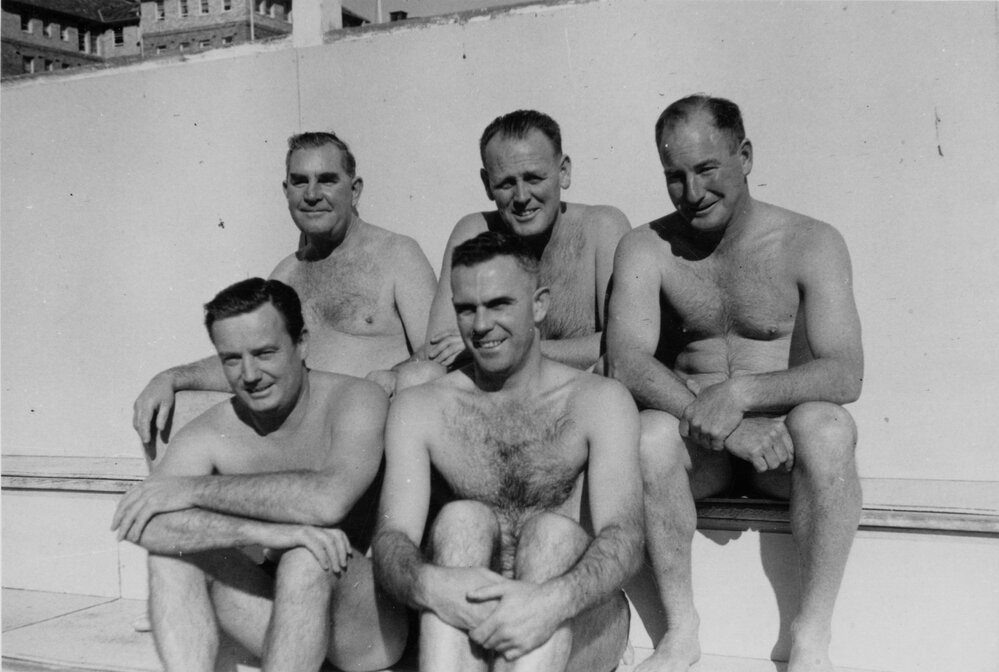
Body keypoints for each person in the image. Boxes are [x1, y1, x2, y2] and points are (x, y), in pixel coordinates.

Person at [606, 95, 864, 672]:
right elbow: (625, 361)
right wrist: (722, 426)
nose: (692, 192)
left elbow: (845, 372)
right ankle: (680, 630)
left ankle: (811, 632)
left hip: (782, 449)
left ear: (744, 155)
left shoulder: (810, 241)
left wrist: (741, 396)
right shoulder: (648, 248)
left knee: (827, 426)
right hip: (706, 451)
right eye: (675, 176)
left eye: (706, 170)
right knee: (647, 436)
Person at [372, 231, 644, 672]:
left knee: (551, 535)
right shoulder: (422, 407)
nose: (480, 326)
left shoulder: (597, 400)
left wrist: (549, 603)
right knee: (462, 520)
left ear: (538, 304)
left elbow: (626, 540)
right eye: (466, 309)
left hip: (577, 613)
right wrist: (431, 585)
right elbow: (391, 541)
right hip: (471, 620)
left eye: (499, 304)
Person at [111, 278, 408, 672]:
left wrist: (193, 490)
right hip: (278, 618)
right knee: (171, 558)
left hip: (363, 628)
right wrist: (263, 533)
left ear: (301, 344)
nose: (249, 374)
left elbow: (328, 499)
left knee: (307, 556)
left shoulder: (354, 399)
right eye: (232, 359)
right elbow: (142, 524)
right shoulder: (212, 430)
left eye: (265, 353)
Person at [133, 131, 437, 449]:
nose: (312, 194)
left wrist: (390, 377)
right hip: (300, 431)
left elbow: (438, 356)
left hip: (370, 431)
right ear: (286, 190)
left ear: (355, 190)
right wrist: (171, 377)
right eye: (300, 181)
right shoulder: (285, 275)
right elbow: (251, 362)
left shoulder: (396, 254)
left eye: (327, 180)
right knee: (174, 411)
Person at [400, 109, 629, 389]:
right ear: (487, 185)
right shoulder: (475, 230)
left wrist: (510, 348)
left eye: (534, 178)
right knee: (419, 377)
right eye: (506, 183)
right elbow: (441, 348)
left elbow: (623, 346)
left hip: (577, 393)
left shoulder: (602, 227)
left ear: (563, 172)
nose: (521, 197)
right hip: (497, 390)